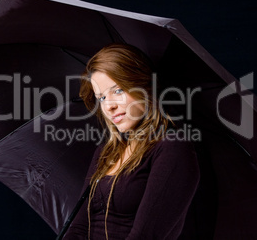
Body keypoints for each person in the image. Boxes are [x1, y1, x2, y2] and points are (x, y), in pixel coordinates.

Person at [63, 43, 200, 240]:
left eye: (117, 90)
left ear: (144, 86)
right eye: (101, 98)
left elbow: (144, 236)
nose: (108, 106)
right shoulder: (106, 152)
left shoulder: (172, 148)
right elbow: (79, 227)